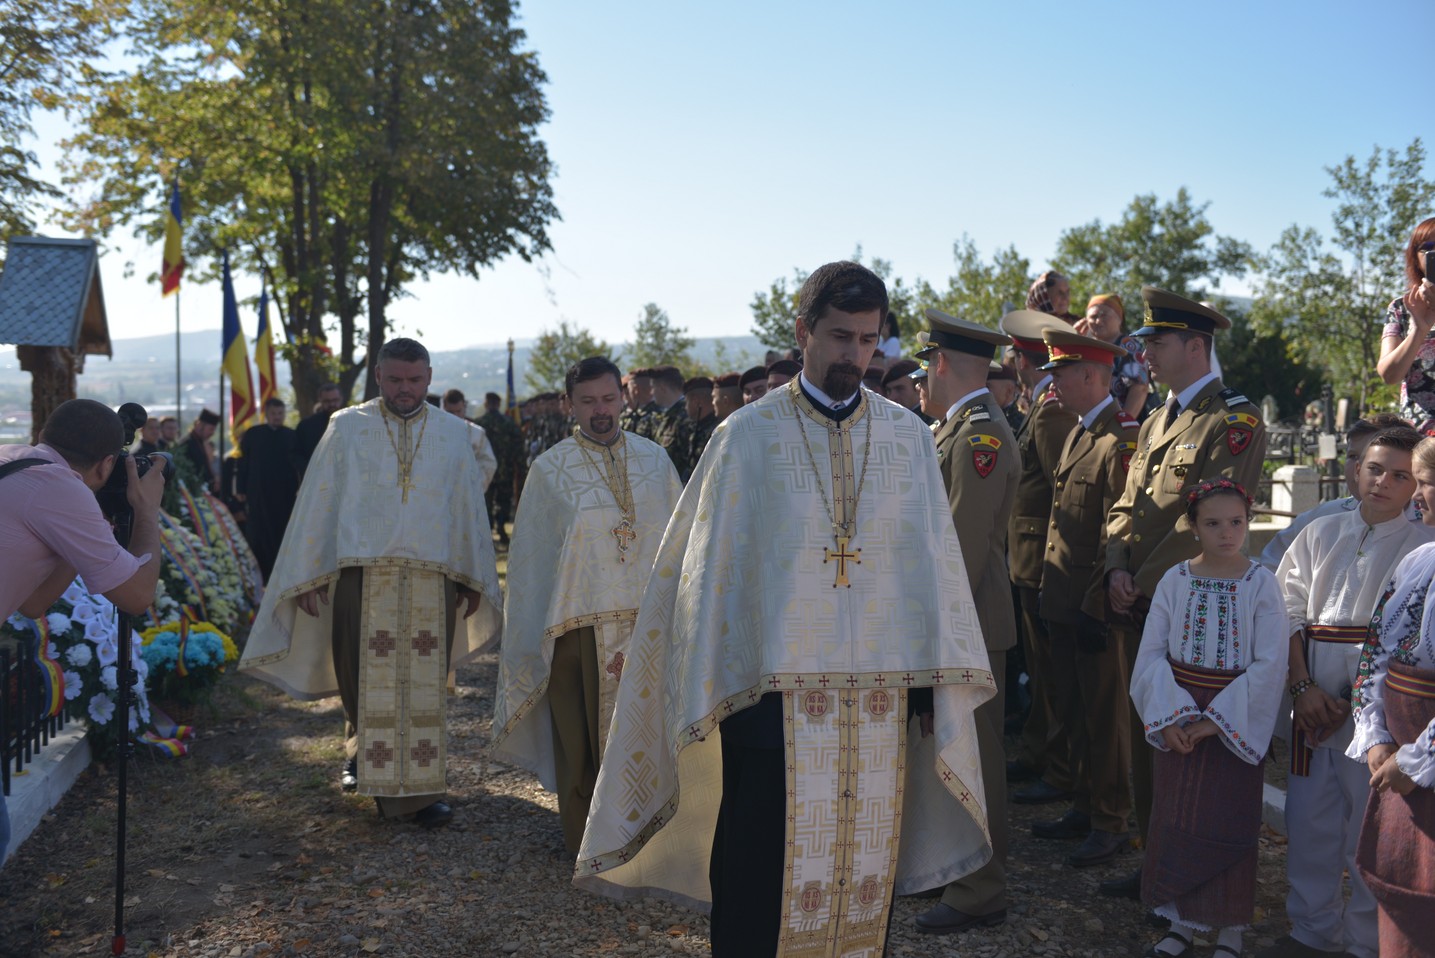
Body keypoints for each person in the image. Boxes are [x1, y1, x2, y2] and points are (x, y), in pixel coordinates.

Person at [575, 261, 994, 957]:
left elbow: (930, 571)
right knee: (756, 865)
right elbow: (705, 574)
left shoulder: (908, 440)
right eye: (838, 337)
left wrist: (929, 684)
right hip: (769, 701)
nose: (853, 355)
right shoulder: (746, 438)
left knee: (864, 864)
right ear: (803, 332)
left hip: (877, 706)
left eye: (866, 340)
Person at [238, 338, 502, 828]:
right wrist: (309, 576)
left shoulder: (453, 434)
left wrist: (471, 577)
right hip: (364, 573)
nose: (406, 389)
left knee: (424, 685)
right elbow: (319, 501)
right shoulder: (347, 427)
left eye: (415, 380)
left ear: (429, 377)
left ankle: (419, 791)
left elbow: (466, 506)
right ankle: (368, 762)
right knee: (364, 678)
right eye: (396, 379)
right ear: (378, 376)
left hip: (433, 575)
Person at [1102, 288, 1267, 901]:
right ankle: (1156, 862)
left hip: (1194, 612)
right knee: (1148, 735)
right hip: (1139, 602)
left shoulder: (1235, 420)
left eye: (1156, 341)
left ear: (1195, 346)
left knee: (1186, 746)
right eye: (1143, 341)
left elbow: (1210, 521)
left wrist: (1140, 581)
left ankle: (1190, 877)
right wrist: (1116, 566)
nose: (1143, 352)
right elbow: (1129, 507)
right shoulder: (1154, 419)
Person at [492, 357, 682, 855]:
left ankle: (652, 841)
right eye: (588, 402)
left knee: (651, 735)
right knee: (581, 740)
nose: (601, 411)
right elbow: (532, 564)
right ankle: (590, 844)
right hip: (580, 628)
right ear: (568, 404)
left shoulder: (655, 460)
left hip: (649, 627)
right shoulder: (550, 470)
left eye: (608, 399)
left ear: (622, 396)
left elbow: (682, 542)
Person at [1266, 426, 1433, 958]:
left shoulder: (1421, 545)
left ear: (1417, 486)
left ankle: (1366, 940)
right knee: (1309, 818)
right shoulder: (1320, 532)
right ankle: (1311, 930)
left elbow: (1394, 639)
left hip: (1375, 707)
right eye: (1374, 468)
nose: (1383, 482)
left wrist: (1357, 702)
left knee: (1369, 822)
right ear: (1357, 469)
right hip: (1311, 691)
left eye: (1401, 475)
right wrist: (1303, 687)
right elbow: (1287, 608)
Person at [0, 399, 168, 862]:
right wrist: (147, 512)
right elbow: (136, 596)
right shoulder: (59, 489)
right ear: (109, 463)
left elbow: (33, 603)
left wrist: (85, 533)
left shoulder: (13, 460)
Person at [1131, 480, 1288, 958]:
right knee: (1176, 816)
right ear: (1193, 526)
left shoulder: (1261, 582)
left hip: (1235, 714)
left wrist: (1215, 722)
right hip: (1178, 707)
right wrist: (1172, 716)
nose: (1227, 533)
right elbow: (1152, 653)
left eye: (1236, 522)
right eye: (1213, 523)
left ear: (1249, 520)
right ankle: (1179, 921)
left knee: (1230, 819)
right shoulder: (1175, 580)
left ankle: (1230, 929)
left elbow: (1270, 662)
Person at [911, 309, 1020, 936]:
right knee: (958, 750)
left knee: (975, 755)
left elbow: (960, 547)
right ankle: (963, 871)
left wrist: (931, 628)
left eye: (929, 364)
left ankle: (982, 888)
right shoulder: (957, 428)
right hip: (960, 620)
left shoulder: (979, 434)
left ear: (942, 362)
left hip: (967, 621)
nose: (927, 373)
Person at [1034, 330, 1141, 868]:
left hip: (1092, 605)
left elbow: (1114, 531)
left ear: (1091, 376)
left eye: (1059, 374)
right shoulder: (1082, 433)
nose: (1051, 384)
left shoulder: (1118, 439)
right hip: (1065, 601)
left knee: (1104, 719)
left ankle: (1110, 819)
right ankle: (1083, 803)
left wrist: (1098, 604)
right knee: (1074, 711)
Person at [1346, 435, 1435, 958]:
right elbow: (1376, 652)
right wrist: (1377, 737)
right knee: (1400, 904)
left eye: (1425, 482)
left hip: (1419, 763)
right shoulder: (1418, 561)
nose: (1416, 495)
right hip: (1397, 765)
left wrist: (1418, 760)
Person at [1001, 309, 1080, 806]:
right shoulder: (1040, 406)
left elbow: (1059, 489)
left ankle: (1059, 766)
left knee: (1052, 676)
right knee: (1041, 667)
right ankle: (1040, 752)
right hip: (1027, 562)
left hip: (1041, 562)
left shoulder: (1051, 413)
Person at [1258, 413, 1416, 573]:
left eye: (1398, 474)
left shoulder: (1426, 528)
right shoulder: (1320, 519)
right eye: (1353, 456)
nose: (1360, 467)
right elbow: (1270, 572)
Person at [1375, 217, 1435, 429]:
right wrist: (1418, 330)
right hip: (1419, 436)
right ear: (1414, 257)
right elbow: (1389, 374)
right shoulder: (1401, 307)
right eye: (1427, 247)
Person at [237, 398, 300, 579]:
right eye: (273, 414)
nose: (277, 417)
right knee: (258, 532)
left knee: (281, 532)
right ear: (266, 414)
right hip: (257, 491)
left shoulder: (291, 435)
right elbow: (243, 463)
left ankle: (280, 572)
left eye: (280, 414)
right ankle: (259, 573)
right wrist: (240, 488)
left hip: (284, 494)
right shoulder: (253, 434)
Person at [1075, 293, 1152, 419]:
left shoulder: (1128, 346)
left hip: (1120, 425)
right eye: (1093, 317)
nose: (1098, 321)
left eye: (1104, 315)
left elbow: (1139, 388)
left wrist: (1124, 423)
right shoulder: (1088, 348)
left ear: (1119, 319)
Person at [475, 392, 524, 545]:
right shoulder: (509, 423)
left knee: (485, 502)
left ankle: (487, 531)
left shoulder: (478, 424)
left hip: (485, 472)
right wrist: (519, 466)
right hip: (505, 470)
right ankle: (502, 529)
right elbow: (519, 446)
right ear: (498, 404)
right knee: (504, 501)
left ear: (486, 404)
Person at [646, 365, 693, 481]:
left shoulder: (686, 416)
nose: (651, 393)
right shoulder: (666, 415)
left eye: (653, 387)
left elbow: (690, 463)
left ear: (662, 388)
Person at [292, 383, 345, 481]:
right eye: (327, 401)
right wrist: (310, 470)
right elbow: (296, 455)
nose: (332, 404)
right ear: (320, 401)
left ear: (341, 398)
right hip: (316, 481)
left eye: (335, 400)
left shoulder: (352, 422)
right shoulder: (306, 426)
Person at [178, 409, 220, 489]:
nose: (212, 433)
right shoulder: (186, 444)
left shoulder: (202, 443)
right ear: (199, 425)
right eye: (211, 429)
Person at [682, 377, 717, 471]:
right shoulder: (695, 427)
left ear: (697, 402)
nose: (685, 407)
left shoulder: (716, 430)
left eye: (686, 402)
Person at [882, 358, 929, 423]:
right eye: (888, 391)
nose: (891, 397)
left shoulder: (930, 421)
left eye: (899, 389)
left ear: (918, 388)